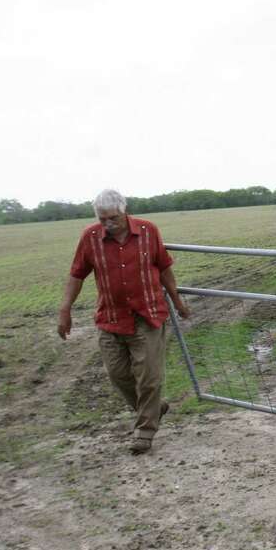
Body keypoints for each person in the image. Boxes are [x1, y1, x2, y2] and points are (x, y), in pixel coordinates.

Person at [57, 189, 191, 454]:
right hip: (111, 317)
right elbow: (77, 274)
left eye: (113, 218)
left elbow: (163, 267)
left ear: (124, 210)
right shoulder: (90, 237)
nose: (107, 223)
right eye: (102, 218)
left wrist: (177, 301)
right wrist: (65, 309)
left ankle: (144, 431)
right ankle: (154, 408)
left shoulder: (148, 231)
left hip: (148, 315)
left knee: (149, 378)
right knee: (117, 374)